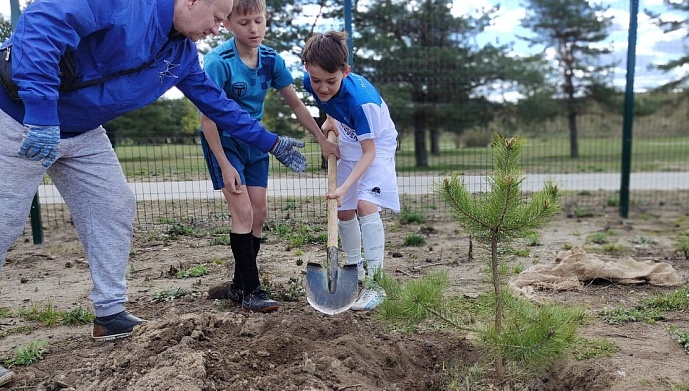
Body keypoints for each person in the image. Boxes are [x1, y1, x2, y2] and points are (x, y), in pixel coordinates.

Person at [0, 0, 307, 340]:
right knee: (3, 220)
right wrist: (41, 110)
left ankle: (109, 313)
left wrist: (271, 143)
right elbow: (44, 22)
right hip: (18, 116)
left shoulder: (182, 56)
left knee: (114, 206)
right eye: (217, 18)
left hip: (83, 130)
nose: (217, 30)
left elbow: (220, 107)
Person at [200, 0, 338, 313]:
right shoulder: (218, 61)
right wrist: (224, 164)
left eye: (259, 21)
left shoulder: (270, 60)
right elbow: (207, 119)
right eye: (244, 22)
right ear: (229, 23)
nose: (253, 29)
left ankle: (238, 285)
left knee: (259, 213)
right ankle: (252, 291)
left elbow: (297, 105)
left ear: (266, 20)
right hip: (224, 142)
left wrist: (321, 140)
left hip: (256, 142)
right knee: (243, 212)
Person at [301, 31, 400, 311]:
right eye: (316, 80)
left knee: (365, 204)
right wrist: (331, 119)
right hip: (349, 134)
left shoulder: (361, 103)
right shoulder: (314, 83)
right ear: (307, 69)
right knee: (344, 210)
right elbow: (329, 101)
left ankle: (376, 284)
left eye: (331, 81)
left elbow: (369, 152)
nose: (322, 87)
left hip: (375, 144)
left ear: (346, 72)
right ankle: (353, 268)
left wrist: (346, 188)